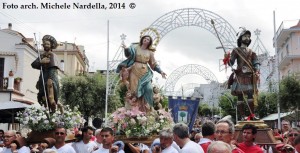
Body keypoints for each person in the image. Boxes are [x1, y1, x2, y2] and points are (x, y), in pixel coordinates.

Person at [117, 35, 167, 112]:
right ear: (142, 39)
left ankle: (148, 109)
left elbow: (153, 64)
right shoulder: (135, 47)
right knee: (134, 91)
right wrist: (126, 49)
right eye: (145, 38)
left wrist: (161, 72)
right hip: (134, 70)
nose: (146, 40)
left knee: (149, 89)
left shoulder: (150, 52)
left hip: (145, 72)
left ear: (149, 42)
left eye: (148, 39)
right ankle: (134, 110)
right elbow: (129, 54)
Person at [228, 28, 260, 120]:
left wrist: (257, 70)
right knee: (240, 96)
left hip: (249, 75)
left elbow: (256, 62)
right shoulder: (236, 50)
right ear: (240, 38)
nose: (247, 38)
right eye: (245, 36)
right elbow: (231, 62)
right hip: (240, 75)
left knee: (251, 95)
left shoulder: (252, 52)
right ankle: (242, 116)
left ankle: (252, 115)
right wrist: (228, 59)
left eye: (248, 36)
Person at [31, 35, 61, 112]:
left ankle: (53, 103)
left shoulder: (52, 55)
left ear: (51, 45)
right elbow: (33, 64)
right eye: (44, 44)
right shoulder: (42, 56)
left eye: (47, 44)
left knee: (50, 90)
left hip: (51, 76)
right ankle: (46, 108)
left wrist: (50, 79)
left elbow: (53, 68)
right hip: (42, 77)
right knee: (42, 95)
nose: (46, 45)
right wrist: (41, 62)